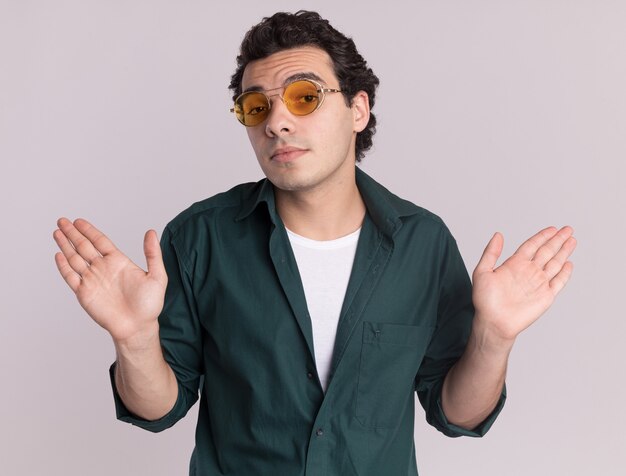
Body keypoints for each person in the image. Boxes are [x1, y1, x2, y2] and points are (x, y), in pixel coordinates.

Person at [53, 10, 576, 476]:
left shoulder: (423, 243)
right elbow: (157, 409)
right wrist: (135, 338)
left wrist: (495, 336)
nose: (278, 122)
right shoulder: (199, 238)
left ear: (357, 110)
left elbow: (458, 413)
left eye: (305, 97)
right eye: (256, 108)